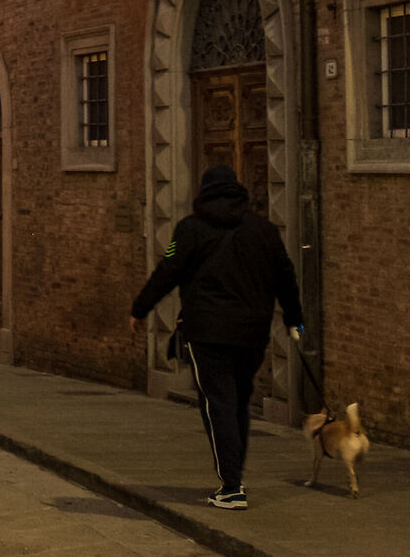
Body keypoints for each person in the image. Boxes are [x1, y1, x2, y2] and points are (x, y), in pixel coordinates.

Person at [130, 163, 305, 511]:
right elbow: (285, 273)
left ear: (203, 192)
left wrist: (139, 308)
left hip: (207, 332)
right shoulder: (264, 230)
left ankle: (231, 485)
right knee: (238, 402)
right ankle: (234, 476)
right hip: (252, 333)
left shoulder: (189, 230)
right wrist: (295, 320)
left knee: (217, 404)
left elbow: (169, 269)